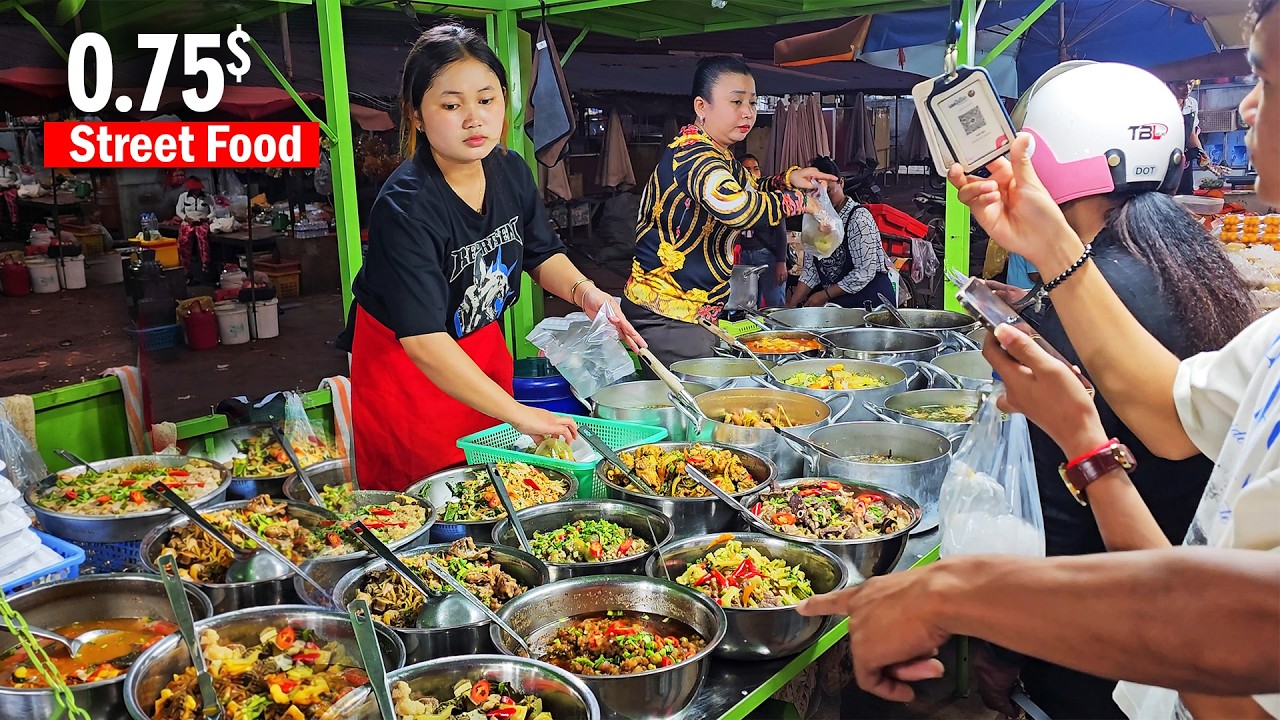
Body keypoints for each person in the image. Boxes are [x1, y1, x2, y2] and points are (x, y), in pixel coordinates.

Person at [795, 0, 1280, 714]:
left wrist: (956, 598)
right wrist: (1049, 256)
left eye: (1264, 76)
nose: (1244, 107)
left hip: (1106, 667)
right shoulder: (1223, 297)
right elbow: (1172, 418)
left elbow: (1236, 644)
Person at [971, 61, 1258, 720]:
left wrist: (1005, 643)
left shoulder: (1073, 313)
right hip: (1196, 601)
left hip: (1102, 645)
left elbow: (1052, 515)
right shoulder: (1192, 269)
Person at [340, 24, 643, 491]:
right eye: (451, 105)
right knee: (433, 496)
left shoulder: (509, 170)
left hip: (480, 345)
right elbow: (423, 341)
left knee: (496, 483)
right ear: (416, 115)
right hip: (409, 370)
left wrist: (587, 293)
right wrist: (520, 413)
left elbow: (540, 252)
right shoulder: (406, 206)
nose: (474, 119)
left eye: (486, 100)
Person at [623, 55, 837, 365]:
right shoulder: (695, 156)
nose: (747, 112)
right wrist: (800, 202)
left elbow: (750, 190)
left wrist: (788, 179)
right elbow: (736, 207)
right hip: (668, 316)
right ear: (702, 106)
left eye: (752, 102)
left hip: (692, 315)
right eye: (736, 102)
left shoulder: (719, 155)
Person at [786, 155, 895, 309]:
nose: (823, 198)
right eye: (816, 193)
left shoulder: (858, 218)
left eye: (828, 191)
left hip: (871, 302)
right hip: (839, 304)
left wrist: (824, 295)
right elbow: (811, 271)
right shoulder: (814, 220)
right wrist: (791, 306)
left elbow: (865, 272)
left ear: (841, 183)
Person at [735, 153, 789, 307]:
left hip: (768, 256)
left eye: (756, 169)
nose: (753, 173)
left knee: (774, 304)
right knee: (748, 304)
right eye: (747, 170)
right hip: (745, 255)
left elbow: (781, 232)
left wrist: (781, 262)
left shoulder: (768, 196)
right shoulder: (736, 199)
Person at [1170, 79, 1209, 195]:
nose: (1187, 89)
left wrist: (1202, 156)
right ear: (1169, 83)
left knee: (1185, 194)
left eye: (1190, 83)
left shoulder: (1192, 104)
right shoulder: (1162, 104)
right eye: (1181, 85)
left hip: (1184, 160)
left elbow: (1191, 133)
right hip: (1165, 161)